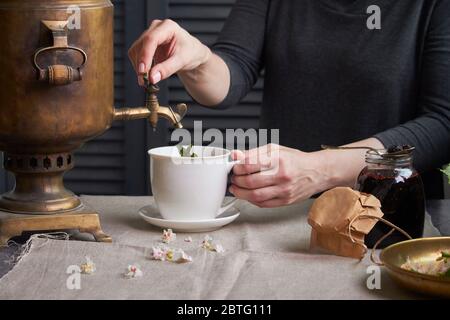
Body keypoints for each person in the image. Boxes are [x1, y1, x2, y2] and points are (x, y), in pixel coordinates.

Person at [128, 0, 450, 208]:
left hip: (392, 216)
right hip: (285, 214)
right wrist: (197, 59)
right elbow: (233, 74)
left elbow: (442, 124)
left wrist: (319, 169)